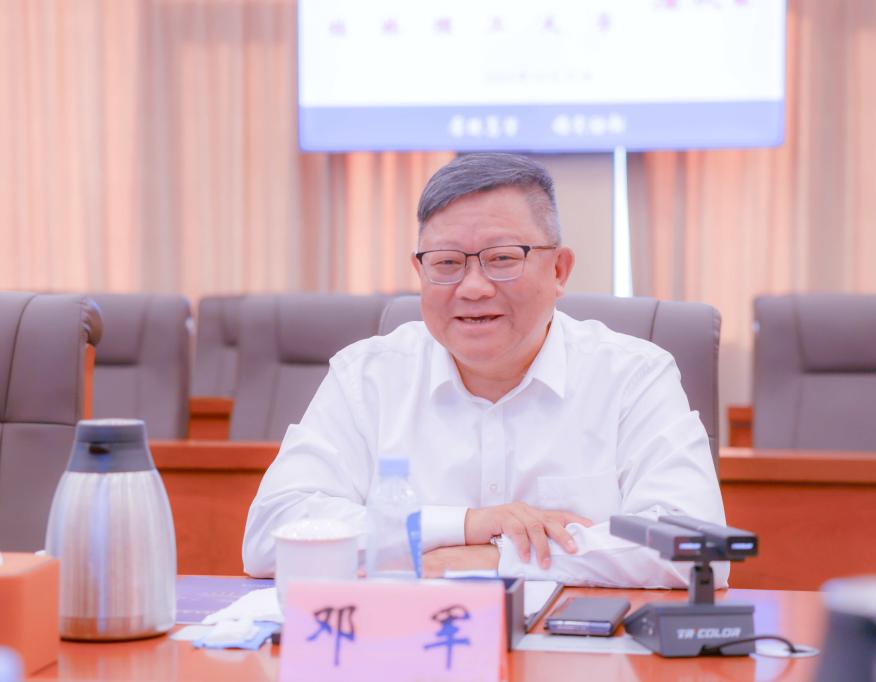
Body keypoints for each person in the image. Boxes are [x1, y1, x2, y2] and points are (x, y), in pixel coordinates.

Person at [242, 153, 727, 587]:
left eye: (501, 259)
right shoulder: (366, 377)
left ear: (559, 270)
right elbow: (270, 535)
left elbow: (697, 547)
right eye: (447, 263)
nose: (473, 288)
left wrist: (492, 559)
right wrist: (465, 524)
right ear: (420, 272)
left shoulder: (634, 376)